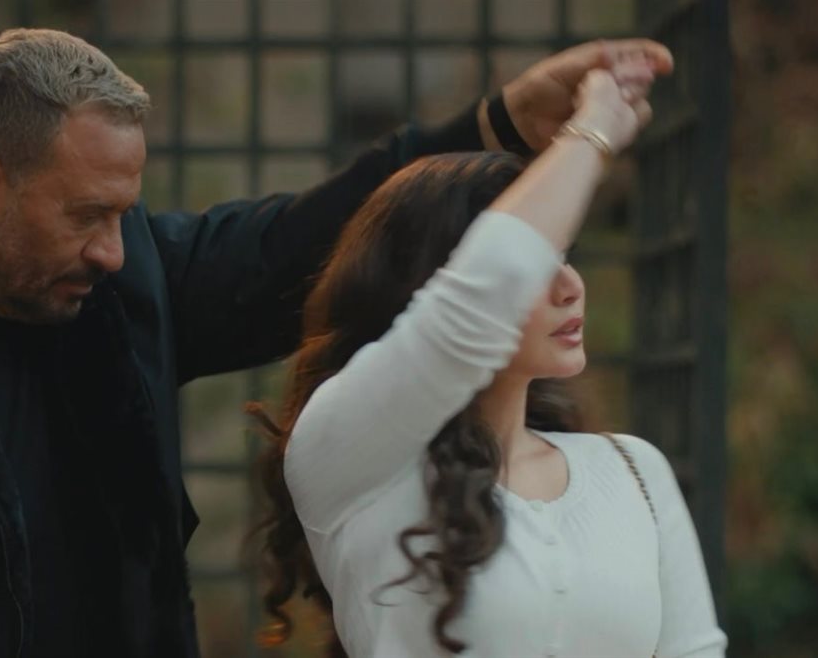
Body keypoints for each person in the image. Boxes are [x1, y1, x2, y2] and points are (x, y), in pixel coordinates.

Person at [0, 27, 672, 658]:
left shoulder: (114, 289)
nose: (115, 249)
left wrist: (496, 126)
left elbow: (302, 249)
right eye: (86, 215)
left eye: (126, 214)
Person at [254, 60, 727, 657]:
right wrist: (592, 132)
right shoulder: (350, 456)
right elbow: (471, 307)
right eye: (537, 263)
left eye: (565, 255)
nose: (569, 287)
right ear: (423, 287)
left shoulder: (633, 470)